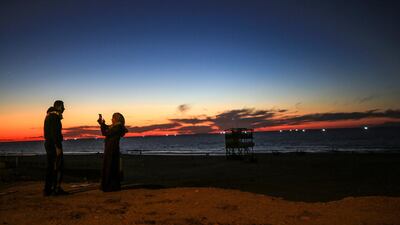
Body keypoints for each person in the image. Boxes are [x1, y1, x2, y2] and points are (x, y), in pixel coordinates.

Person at [97, 113, 128, 192]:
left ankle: (110, 186)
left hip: (112, 149)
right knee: (110, 166)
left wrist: (102, 124)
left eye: (113, 118)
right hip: (111, 149)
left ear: (116, 119)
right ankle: (110, 185)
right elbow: (106, 129)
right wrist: (102, 123)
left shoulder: (118, 127)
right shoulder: (115, 127)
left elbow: (105, 132)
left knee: (110, 167)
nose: (111, 119)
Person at [43, 100, 68, 196]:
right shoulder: (54, 117)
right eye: (63, 106)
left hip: (48, 143)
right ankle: (56, 189)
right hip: (53, 144)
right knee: (58, 166)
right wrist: (57, 146)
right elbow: (55, 133)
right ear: (58, 107)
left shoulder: (49, 115)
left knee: (50, 167)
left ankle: (47, 190)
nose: (64, 108)